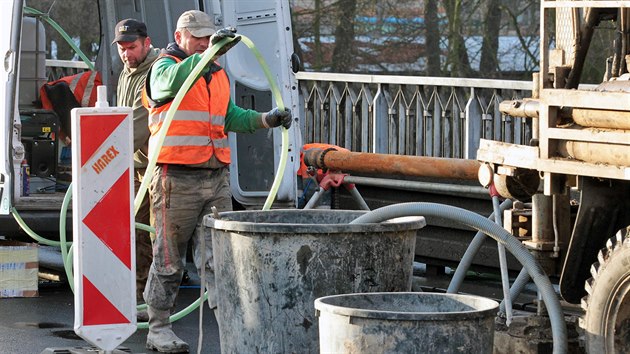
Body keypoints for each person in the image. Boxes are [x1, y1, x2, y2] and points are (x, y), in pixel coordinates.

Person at [141, 10, 292, 353]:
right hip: (174, 179)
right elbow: (174, 82)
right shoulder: (164, 69)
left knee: (223, 260)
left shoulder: (216, 75)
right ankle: (158, 328)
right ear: (179, 37)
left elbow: (229, 117)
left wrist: (267, 119)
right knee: (169, 259)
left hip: (215, 179)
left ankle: (232, 328)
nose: (204, 43)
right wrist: (205, 56)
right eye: (197, 38)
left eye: (207, 38)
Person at [112, 18, 160, 321]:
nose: (126, 54)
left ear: (147, 42)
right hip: (133, 165)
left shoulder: (155, 72)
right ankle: (136, 298)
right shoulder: (127, 72)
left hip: (152, 167)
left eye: (132, 47)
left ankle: (150, 304)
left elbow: (136, 130)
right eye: (122, 48)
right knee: (133, 233)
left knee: (150, 237)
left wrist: (103, 159)